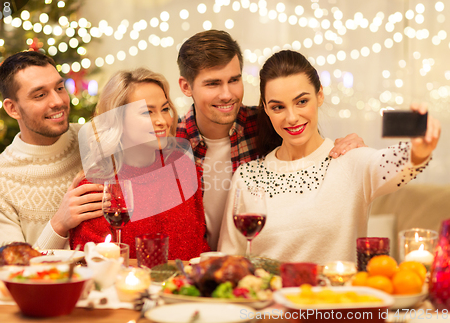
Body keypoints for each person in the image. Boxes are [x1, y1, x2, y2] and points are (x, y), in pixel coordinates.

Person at [218, 50, 440, 263]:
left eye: (302, 101)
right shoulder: (247, 176)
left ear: (320, 96)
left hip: (336, 300)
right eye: (278, 107)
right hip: (268, 300)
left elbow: (397, 165)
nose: (292, 117)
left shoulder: (350, 160)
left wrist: (420, 148)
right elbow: (229, 261)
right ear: (265, 108)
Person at [176, 30, 366, 250]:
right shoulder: (167, 145)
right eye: (213, 84)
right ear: (186, 86)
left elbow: (313, 160)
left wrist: (353, 148)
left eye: (234, 80)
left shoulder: (269, 123)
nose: (227, 94)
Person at [69, 68, 210, 260]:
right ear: (118, 119)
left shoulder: (182, 168)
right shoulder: (95, 186)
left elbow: (199, 247)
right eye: (147, 112)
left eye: (165, 109)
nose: (162, 121)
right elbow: (90, 264)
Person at [0, 51, 104, 253]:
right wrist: (59, 225)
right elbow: (14, 271)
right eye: (40, 95)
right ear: (12, 109)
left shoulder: (95, 139)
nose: (58, 101)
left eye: (60, 88)